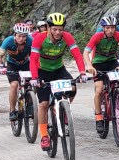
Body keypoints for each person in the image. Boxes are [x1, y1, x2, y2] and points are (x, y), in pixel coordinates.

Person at [28, 13, 86, 151]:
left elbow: (77, 55)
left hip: (59, 69)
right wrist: (35, 78)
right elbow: (33, 59)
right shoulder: (39, 39)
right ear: (48, 28)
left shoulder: (67, 37)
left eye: (60, 29)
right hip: (43, 71)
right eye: (54, 29)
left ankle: (61, 109)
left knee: (73, 87)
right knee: (43, 104)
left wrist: (82, 72)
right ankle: (44, 136)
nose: (58, 32)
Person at [84, 15, 119, 133]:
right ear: (103, 28)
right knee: (99, 90)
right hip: (98, 63)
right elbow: (86, 52)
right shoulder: (97, 36)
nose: (111, 30)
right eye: (108, 28)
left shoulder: (118, 35)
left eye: (113, 28)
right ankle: (98, 117)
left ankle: (117, 95)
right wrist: (89, 66)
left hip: (111, 61)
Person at [0, 23, 33, 121]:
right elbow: (0, 54)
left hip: (26, 64)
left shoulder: (30, 41)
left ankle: (30, 104)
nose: (21, 39)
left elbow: (36, 54)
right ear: (15, 35)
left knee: (30, 84)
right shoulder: (8, 41)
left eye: (24, 36)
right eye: (19, 36)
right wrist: (0, 65)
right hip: (12, 65)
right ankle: (12, 110)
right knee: (14, 85)